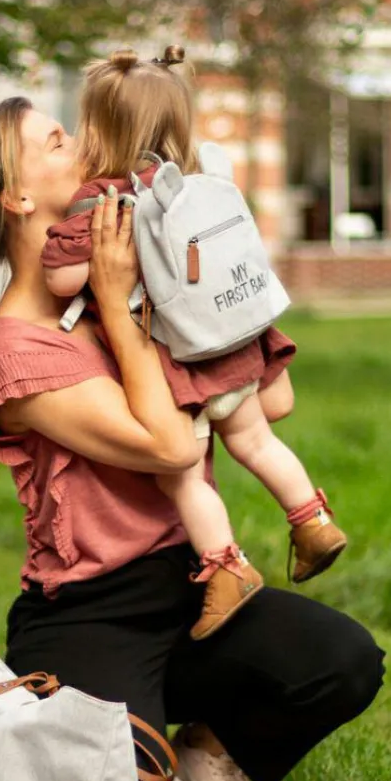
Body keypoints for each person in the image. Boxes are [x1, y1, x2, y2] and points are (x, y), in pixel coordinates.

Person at [0, 95, 385, 781]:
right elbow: (169, 445)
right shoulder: (16, 349)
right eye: (57, 140)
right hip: (90, 612)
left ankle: (202, 736)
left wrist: (218, 263)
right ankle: (60, 720)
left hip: (193, 585)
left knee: (343, 661)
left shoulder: (133, 286)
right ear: (18, 197)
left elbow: (274, 403)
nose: (81, 144)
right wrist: (112, 298)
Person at [40, 46, 346, 641]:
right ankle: (311, 519)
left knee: (184, 478)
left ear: (98, 130)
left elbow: (63, 278)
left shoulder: (106, 200)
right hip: (234, 343)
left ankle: (227, 569)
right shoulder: (201, 181)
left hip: (185, 361)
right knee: (256, 440)